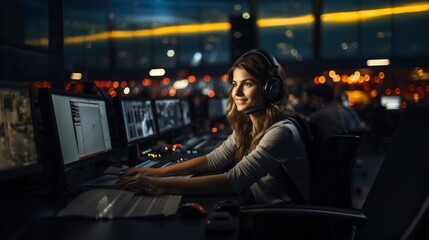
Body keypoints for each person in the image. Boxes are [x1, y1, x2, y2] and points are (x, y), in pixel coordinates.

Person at [114, 49, 311, 205]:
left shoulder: (281, 131)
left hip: (283, 221)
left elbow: (232, 181)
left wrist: (154, 184)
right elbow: (213, 160)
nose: (237, 92)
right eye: (235, 83)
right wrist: (156, 172)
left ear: (271, 88)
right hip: (263, 210)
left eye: (248, 83)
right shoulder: (250, 126)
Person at [308, 84, 349, 152]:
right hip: (340, 153)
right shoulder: (339, 110)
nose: (313, 102)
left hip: (325, 155)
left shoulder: (319, 114)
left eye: (314, 99)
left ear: (321, 99)